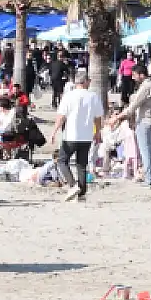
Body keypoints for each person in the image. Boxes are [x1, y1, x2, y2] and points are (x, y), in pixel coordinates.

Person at [48, 70, 103, 202]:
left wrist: (54, 132)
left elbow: (61, 116)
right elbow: (97, 117)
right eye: (88, 80)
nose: (90, 82)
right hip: (86, 135)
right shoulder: (93, 96)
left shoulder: (68, 96)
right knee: (81, 164)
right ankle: (82, 192)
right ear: (85, 82)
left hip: (71, 135)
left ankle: (73, 185)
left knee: (62, 160)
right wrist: (97, 132)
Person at [121, 64, 151, 189]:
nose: (133, 78)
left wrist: (118, 117)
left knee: (146, 153)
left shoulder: (146, 86)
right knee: (149, 152)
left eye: (134, 75)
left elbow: (134, 105)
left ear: (141, 74)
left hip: (145, 122)